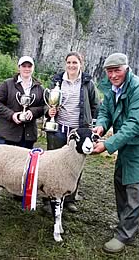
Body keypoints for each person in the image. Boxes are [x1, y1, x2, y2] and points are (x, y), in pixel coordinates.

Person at [93, 53, 139, 253]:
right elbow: (105, 111)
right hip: (125, 143)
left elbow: (133, 125)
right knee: (121, 182)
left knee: (136, 189)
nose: (113, 75)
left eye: (117, 70)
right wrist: (100, 127)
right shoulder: (111, 88)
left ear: (126, 68)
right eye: (110, 71)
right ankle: (127, 226)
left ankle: (124, 235)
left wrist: (106, 145)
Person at [43, 51, 99, 213]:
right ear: (65, 63)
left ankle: (69, 199)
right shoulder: (56, 81)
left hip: (79, 132)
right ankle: (49, 199)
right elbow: (46, 101)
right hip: (58, 128)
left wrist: (94, 126)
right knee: (52, 164)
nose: (71, 65)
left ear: (81, 64)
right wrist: (49, 112)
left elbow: (96, 105)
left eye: (75, 62)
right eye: (69, 62)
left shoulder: (88, 83)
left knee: (75, 165)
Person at [0, 56, 44, 149]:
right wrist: (12, 115)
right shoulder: (7, 84)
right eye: (24, 66)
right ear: (19, 67)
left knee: (24, 163)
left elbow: (43, 107)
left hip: (27, 136)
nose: (27, 69)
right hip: (6, 134)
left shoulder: (39, 88)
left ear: (33, 68)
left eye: (29, 66)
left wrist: (33, 111)